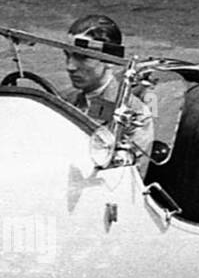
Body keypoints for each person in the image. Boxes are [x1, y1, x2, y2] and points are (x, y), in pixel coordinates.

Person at [64, 15, 155, 165]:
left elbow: (123, 172)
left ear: (109, 60)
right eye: (67, 55)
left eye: (82, 57)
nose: (70, 67)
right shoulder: (64, 100)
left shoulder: (133, 115)